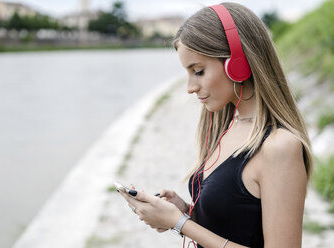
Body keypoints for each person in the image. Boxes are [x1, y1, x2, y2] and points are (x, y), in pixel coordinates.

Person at [119, 2, 312, 248]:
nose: (190, 87)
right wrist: (185, 211)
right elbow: (237, 225)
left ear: (239, 64)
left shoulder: (280, 147)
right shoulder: (227, 128)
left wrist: (180, 223)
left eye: (198, 71)